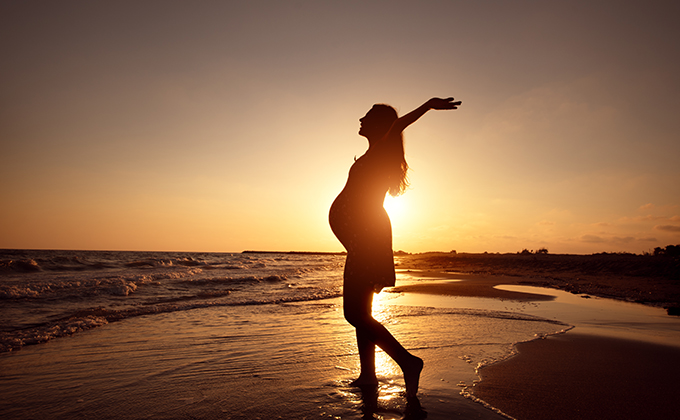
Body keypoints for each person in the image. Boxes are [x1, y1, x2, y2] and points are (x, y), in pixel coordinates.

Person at [329, 97, 461, 399]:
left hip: (368, 234)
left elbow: (398, 123)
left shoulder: (379, 149)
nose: (360, 118)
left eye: (367, 116)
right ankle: (368, 374)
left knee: (354, 314)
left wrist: (427, 105)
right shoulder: (374, 153)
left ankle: (408, 362)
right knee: (362, 311)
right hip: (365, 235)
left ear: (380, 126)